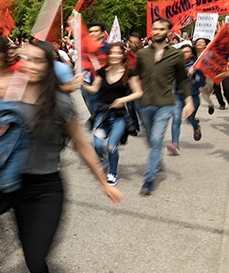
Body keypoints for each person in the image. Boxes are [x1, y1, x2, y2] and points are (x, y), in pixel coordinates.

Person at [2, 41, 123, 273]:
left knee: (36, 257)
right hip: (17, 186)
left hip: (47, 188)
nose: (32, 66)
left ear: (50, 66)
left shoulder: (61, 103)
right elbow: (0, 138)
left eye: (39, 61)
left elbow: (81, 144)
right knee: (29, 255)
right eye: (28, 59)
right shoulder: (13, 95)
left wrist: (104, 182)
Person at [136, 18, 193, 196]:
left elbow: (183, 80)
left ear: (169, 31)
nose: (157, 32)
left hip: (165, 104)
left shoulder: (176, 55)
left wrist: (189, 101)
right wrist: (135, 90)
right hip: (144, 104)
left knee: (156, 139)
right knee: (151, 139)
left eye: (161, 29)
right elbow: (133, 74)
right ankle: (157, 162)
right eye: (155, 29)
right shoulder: (143, 54)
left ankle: (149, 179)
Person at [82, 42, 142, 185]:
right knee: (97, 144)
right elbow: (94, 89)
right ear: (108, 55)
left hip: (119, 116)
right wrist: (82, 83)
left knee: (111, 147)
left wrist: (123, 99)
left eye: (118, 53)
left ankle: (112, 173)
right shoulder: (103, 71)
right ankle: (102, 161)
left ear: (123, 55)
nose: (114, 56)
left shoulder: (129, 72)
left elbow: (138, 92)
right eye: (112, 53)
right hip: (103, 114)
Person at [168, 44, 205, 155]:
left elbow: (202, 83)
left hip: (193, 96)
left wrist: (194, 75)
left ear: (192, 53)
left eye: (188, 52)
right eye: (183, 52)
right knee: (176, 118)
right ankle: (175, 143)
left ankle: (196, 127)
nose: (185, 54)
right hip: (178, 96)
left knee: (190, 119)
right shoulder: (175, 65)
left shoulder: (197, 66)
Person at [194, 38, 224, 113]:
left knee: (206, 94)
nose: (199, 43)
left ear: (205, 45)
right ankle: (195, 114)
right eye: (198, 42)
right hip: (195, 76)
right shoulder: (192, 53)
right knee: (195, 94)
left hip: (208, 77)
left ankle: (211, 104)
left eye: (201, 42)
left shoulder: (209, 53)